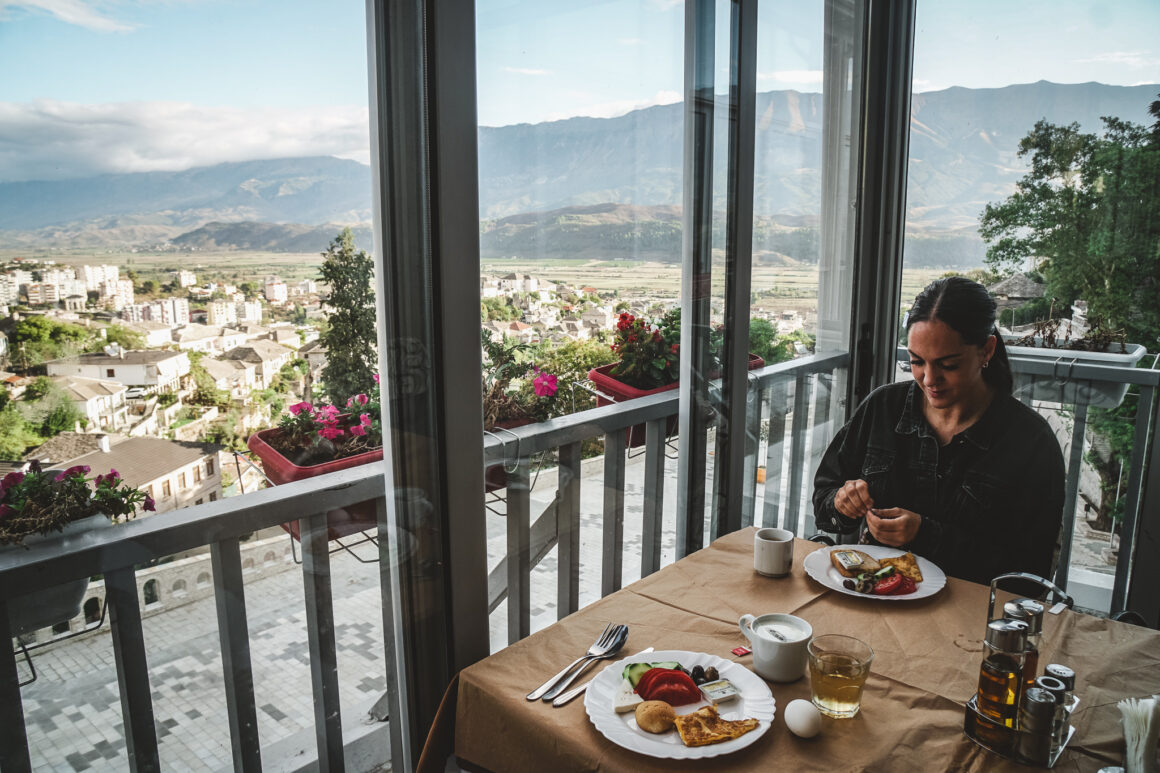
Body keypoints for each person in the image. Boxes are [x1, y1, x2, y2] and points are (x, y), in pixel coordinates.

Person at [812, 276, 1065, 585]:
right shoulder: (883, 408)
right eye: (916, 362)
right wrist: (842, 502)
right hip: (873, 599)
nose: (930, 379)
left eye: (948, 365)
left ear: (986, 350)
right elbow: (824, 500)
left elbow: (1030, 571)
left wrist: (926, 535)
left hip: (968, 619)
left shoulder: (1029, 442)